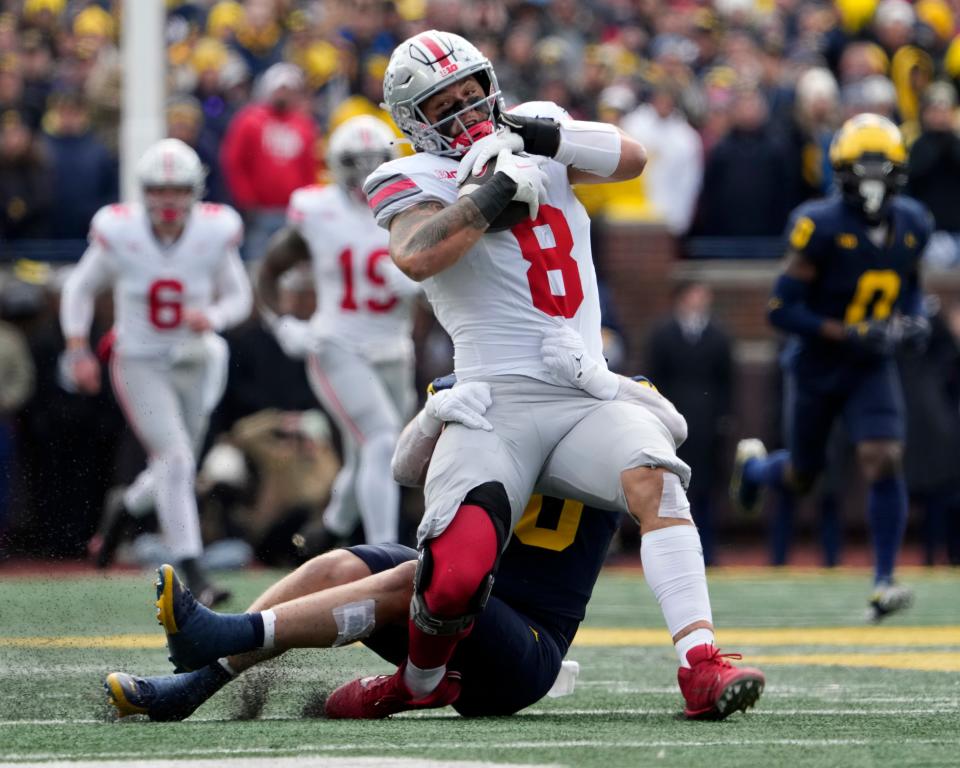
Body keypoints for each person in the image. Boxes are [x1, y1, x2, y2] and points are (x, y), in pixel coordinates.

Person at [323, 29, 761, 720]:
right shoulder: (410, 176)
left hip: (582, 390)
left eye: (474, 94)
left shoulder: (536, 131)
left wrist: (537, 137)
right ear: (414, 122)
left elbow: (633, 158)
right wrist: (494, 188)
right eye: (446, 104)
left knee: (655, 475)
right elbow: (418, 255)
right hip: (495, 402)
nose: (468, 112)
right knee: (454, 576)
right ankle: (419, 680)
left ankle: (700, 663)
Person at [104, 373, 759, 722]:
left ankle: (228, 632)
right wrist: (441, 410)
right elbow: (406, 469)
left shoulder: (609, 410)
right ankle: (195, 683)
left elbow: (668, 429)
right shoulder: (490, 390)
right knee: (340, 562)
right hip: (463, 595)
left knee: (423, 573)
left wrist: (600, 386)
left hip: (524, 643)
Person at [731, 113, 933, 622]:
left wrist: (913, 320)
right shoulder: (818, 225)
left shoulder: (913, 224)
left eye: (880, 171)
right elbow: (780, 310)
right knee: (803, 476)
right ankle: (755, 468)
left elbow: (908, 288)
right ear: (841, 173)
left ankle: (884, 581)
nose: (871, 184)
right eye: (862, 171)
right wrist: (847, 332)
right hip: (818, 365)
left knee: (884, 455)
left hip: (871, 366)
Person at [59, 138, 253, 607]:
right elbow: (79, 290)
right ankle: (195, 571)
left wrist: (216, 318)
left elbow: (238, 296)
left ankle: (124, 507)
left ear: (195, 191)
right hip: (140, 359)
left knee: (179, 461)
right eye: (158, 189)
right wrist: (78, 348)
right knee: (177, 461)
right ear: (143, 191)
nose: (168, 200)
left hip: (196, 360)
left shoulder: (214, 231)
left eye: (178, 189)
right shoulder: (119, 231)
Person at [256, 114, 421, 555]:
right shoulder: (317, 211)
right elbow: (269, 272)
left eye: (376, 162)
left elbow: (450, 275)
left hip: (394, 349)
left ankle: (324, 533)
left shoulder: (411, 206)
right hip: (339, 345)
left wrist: (420, 281)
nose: (366, 175)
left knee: (369, 453)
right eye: (357, 163)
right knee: (383, 441)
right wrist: (283, 324)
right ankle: (385, 555)